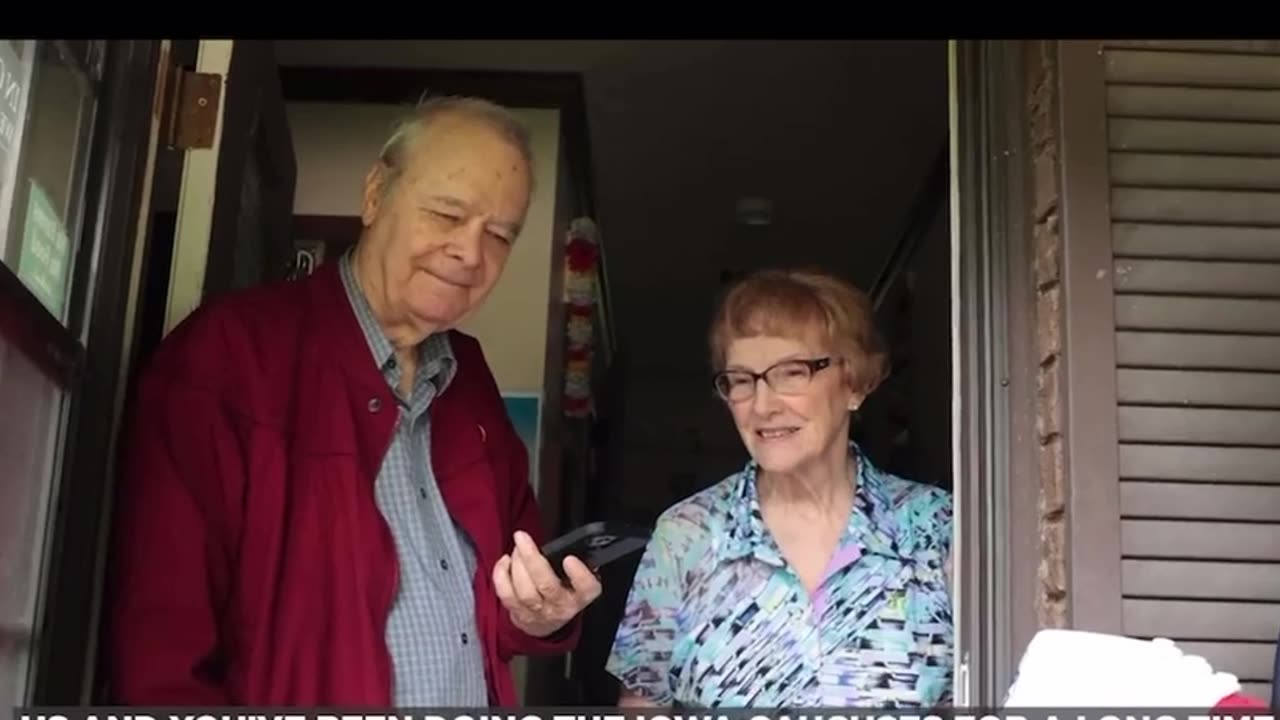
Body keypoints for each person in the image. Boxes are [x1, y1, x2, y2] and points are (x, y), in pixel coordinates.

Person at [105, 96, 602, 706]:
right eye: (447, 214)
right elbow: (161, 652)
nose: (472, 254)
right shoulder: (227, 358)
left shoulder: (469, 381)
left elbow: (496, 605)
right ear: (375, 195)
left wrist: (538, 615)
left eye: (499, 235)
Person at [606, 268, 954, 708]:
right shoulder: (687, 534)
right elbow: (642, 705)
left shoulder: (937, 528)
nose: (764, 405)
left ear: (855, 383)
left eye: (792, 373)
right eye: (742, 379)